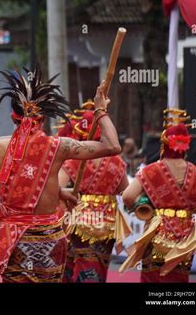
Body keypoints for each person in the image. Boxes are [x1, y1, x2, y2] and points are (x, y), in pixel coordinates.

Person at [0, 67, 121, 283]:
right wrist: (100, 111)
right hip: (47, 239)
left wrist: (58, 191)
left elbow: (17, 180)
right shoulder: (59, 146)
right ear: (42, 118)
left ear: (14, 117)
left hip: (13, 238)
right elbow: (112, 146)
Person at [121, 109, 196, 283]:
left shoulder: (151, 170)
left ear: (164, 144)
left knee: (152, 278)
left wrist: (144, 204)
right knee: (178, 279)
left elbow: (127, 197)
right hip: (185, 238)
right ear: (186, 145)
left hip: (157, 234)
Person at [59, 110, 131, 283]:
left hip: (80, 218)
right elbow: (125, 192)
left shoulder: (74, 159)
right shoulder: (117, 161)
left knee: (77, 261)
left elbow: (57, 188)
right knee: (99, 263)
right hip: (107, 221)